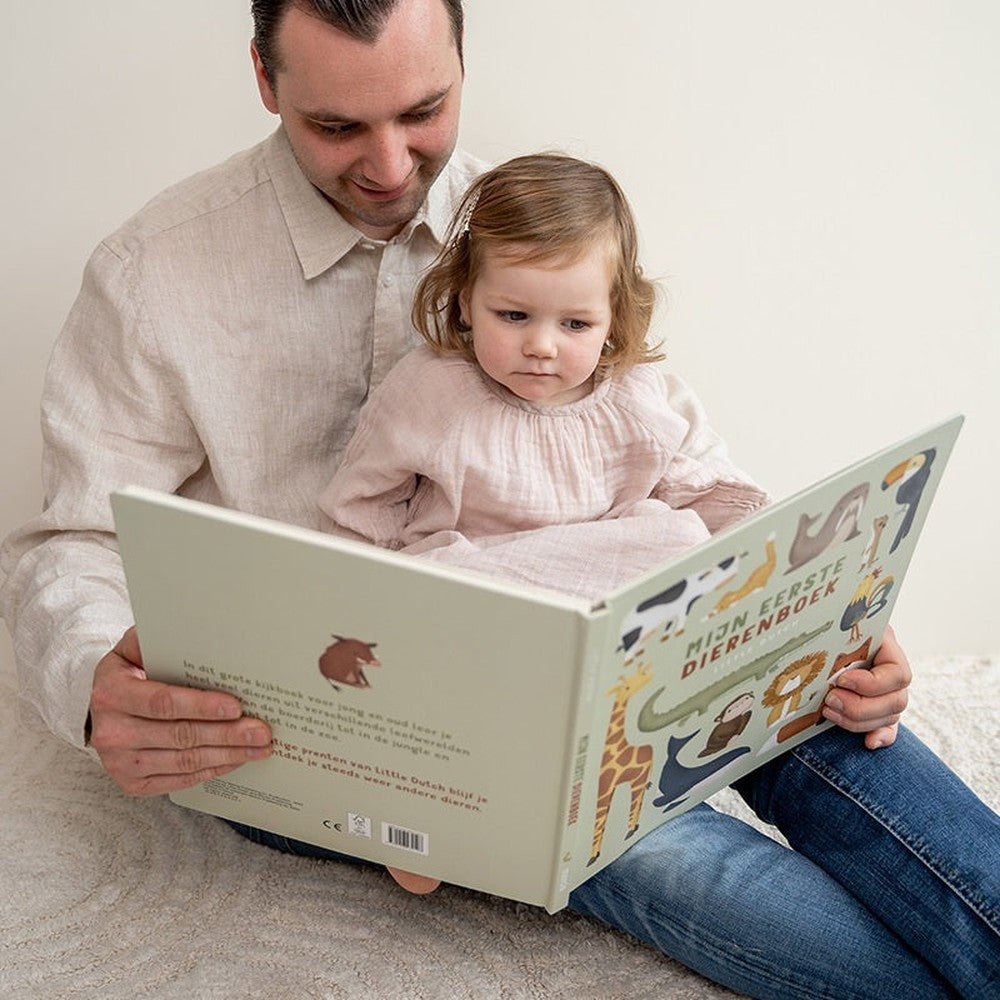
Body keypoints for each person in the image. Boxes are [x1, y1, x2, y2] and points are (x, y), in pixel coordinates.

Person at [0, 2, 994, 998]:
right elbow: (72, 537)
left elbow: (691, 465)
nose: (390, 166)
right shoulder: (156, 272)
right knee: (662, 851)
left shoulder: (536, 226)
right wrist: (96, 679)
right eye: (336, 126)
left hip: (606, 641)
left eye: (423, 112)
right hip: (339, 720)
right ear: (265, 81)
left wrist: (830, 615)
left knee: (834, 724)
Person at [319, 153, 771, 600]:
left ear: (612, 318)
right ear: (464, 302)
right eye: (514, 315)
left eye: (576, 324)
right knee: (434, 574)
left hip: (602, 593)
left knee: (678, 537)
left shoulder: (640, 398)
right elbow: (361, 508)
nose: (541, 346)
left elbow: (707, 492)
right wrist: (361, 599)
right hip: (481, 590)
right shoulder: (432, 390)